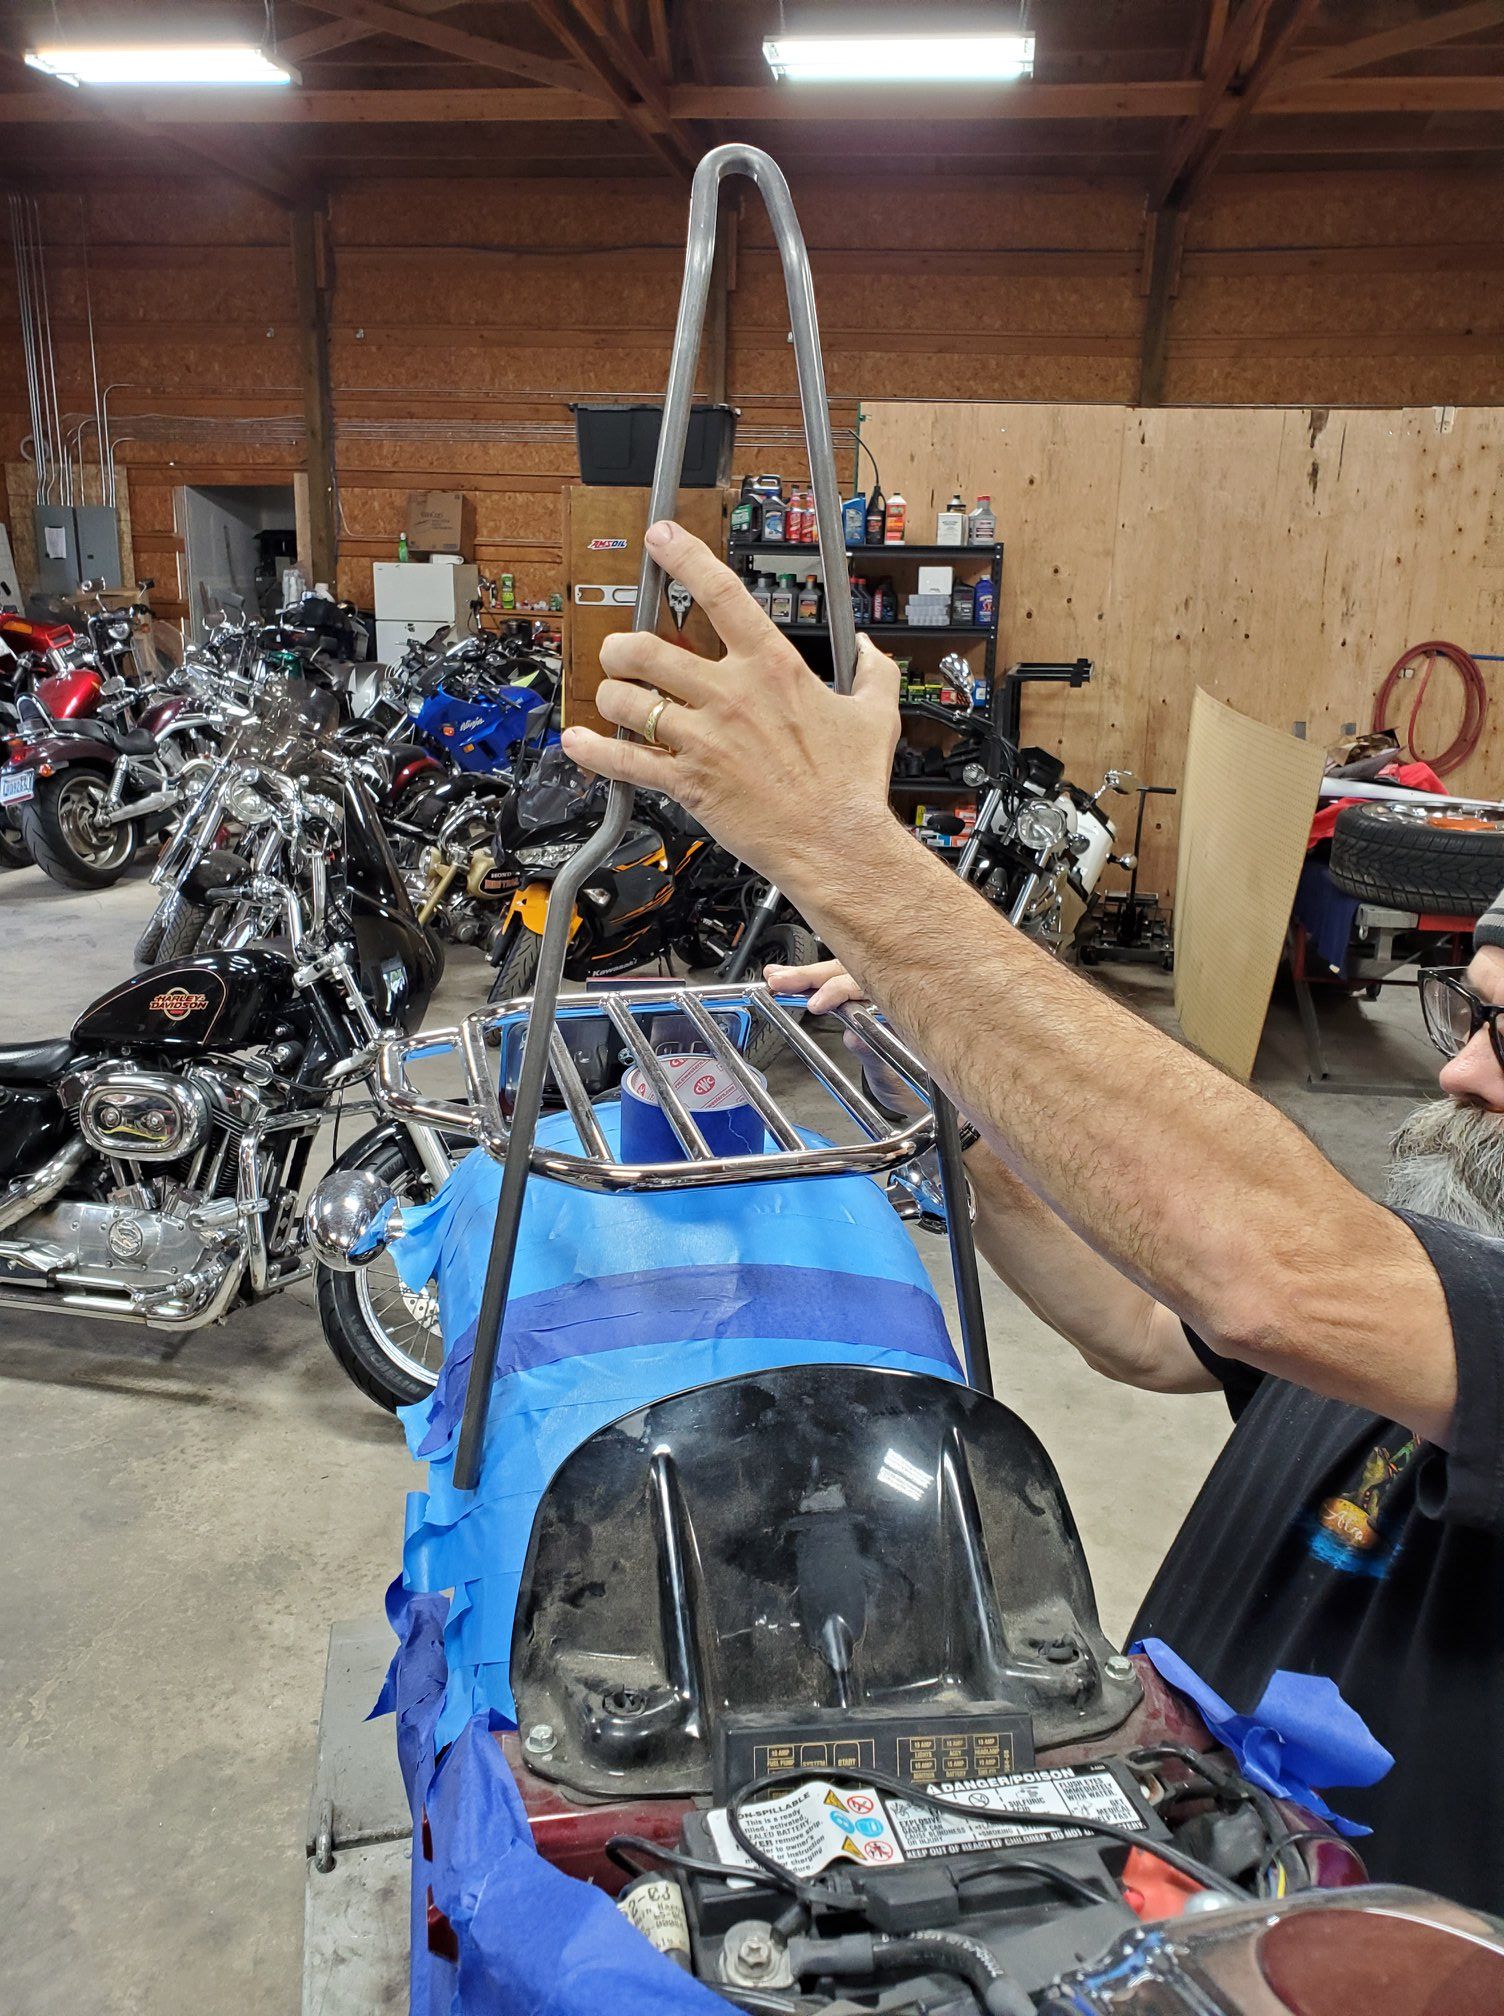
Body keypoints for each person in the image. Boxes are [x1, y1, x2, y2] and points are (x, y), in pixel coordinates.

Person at [560, 517, 1504, 1910]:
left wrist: (847, 853)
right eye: (1473, 1014)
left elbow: (1258, 1270)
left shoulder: (1425, 1307)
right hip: (1178, 1881)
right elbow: (1152, 1327)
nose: (1458, 1068)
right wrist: (962, 1120)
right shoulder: (1443, 1277)